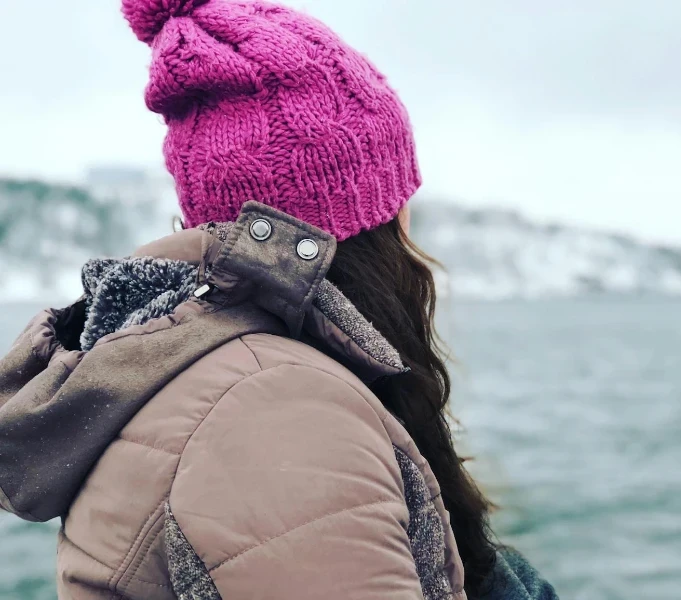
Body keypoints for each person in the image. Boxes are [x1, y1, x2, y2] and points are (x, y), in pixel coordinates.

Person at [0, 1, 559, 599]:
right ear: (361, 225)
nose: (411, 228)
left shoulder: (200, 370)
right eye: (399, 197)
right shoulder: (278, 407)